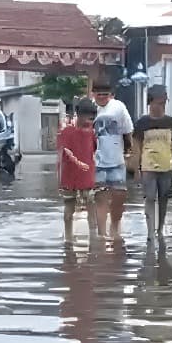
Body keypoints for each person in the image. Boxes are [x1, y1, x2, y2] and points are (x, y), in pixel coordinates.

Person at [133, 85, 172, 238]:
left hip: (166, 165)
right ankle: (150, 231)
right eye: (158, 103)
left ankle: (160, 228)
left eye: (163, 103)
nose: (161, 107)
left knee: (164, 198)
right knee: (149, 197)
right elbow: (137, 147)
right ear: (150, 103)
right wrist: (137, 169)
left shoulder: (170, 122)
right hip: (148, 166)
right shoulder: (142, 123)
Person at [91, 82, 135, 241]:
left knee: (119, 196)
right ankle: (102, 233)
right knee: (100, 197)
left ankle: (115, 226)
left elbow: (128, 131)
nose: (102, 97)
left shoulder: (118, 107)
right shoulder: (89, 109)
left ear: (111, 94)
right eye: (98, 93)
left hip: (117, 160)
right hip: (97, 162)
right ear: (93, 94)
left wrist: (131, 153)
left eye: (105, 94)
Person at [57, 98, 99, 245]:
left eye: (92, 117)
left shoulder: (93, 133)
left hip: (87, 177)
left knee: (91, 210)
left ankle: (93, 238)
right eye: (87, 116)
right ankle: (68, 239)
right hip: (70, 177)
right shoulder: (67, 132)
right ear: (79, 115)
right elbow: (62, 155)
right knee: (69, 210)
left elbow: (94, 151)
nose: (89, 119)